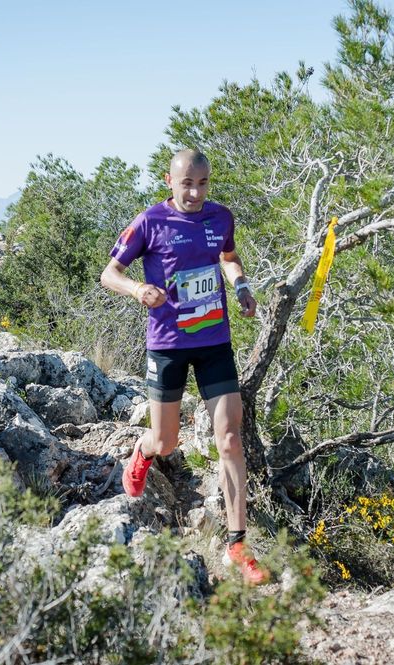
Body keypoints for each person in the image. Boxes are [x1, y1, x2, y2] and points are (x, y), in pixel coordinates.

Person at [100, 148, 269, 585]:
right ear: (169, 181)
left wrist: (241, 286)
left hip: (215, 341)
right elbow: (109, 273)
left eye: (202, 183)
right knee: (166, 441)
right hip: (168, 345)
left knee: (229, 438)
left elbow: (228, 257)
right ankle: (143, 451)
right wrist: (138, 289)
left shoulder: (221, 217)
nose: (195, 192)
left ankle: (237, 546)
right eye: (186, 184)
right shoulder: (149, 222)